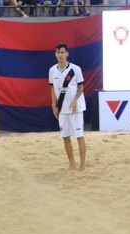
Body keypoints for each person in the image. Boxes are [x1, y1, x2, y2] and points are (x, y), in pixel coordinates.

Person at [49, 43, 86, 171]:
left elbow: (81, 87)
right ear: (55, 54)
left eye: (62, 52)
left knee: (79, 135)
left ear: (67, 53)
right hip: (62, 109)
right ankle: (72, 163)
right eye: (58, 52)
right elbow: (52, 89)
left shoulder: (76, 69)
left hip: (76, 108)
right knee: (65, 137)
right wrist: (54, 105)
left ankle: (82, 164)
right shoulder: (52, 70)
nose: (60, 55)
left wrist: (75, 100)